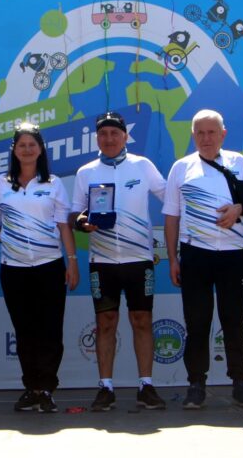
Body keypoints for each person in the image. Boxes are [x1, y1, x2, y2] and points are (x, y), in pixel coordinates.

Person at [163, 109, 243, 409]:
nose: (206, 138)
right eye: (200, 133)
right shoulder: (181, 168)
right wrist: (172, 258)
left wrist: (238, 208)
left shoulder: (238, 162)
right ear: (193, 135)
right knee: (197, 322)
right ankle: (196, 385)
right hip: (195, 256)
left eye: (212, 132)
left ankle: (241, 383)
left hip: (233, 255)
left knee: (233, 320)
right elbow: (171, 216)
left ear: (223, 134)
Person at [70, 111, 167, 411]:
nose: (109, 139)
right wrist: (82, 222)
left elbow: (170, 199)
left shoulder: (143, 165)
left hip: (139, 259)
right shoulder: (86, 172)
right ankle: (106, 387)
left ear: (125, 136)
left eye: (115, 133)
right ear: (97, 138)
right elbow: (74, 214)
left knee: (142, 320)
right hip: (102, 262)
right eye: (103, 134)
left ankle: (146, 385)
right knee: (105, 323)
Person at [0, 122, 79, 413]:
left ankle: (48, 389)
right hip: (13, 269)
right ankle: (32, 388)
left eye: (32, 145)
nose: (27, 150)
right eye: (22, 145)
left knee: (50, 330)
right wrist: (12, 238)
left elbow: (63, 226)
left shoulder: (53, 184)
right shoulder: (0, 184)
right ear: (14, 150)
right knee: (24, 330)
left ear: (41, 150)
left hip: (49, 267)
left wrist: (72, 262)